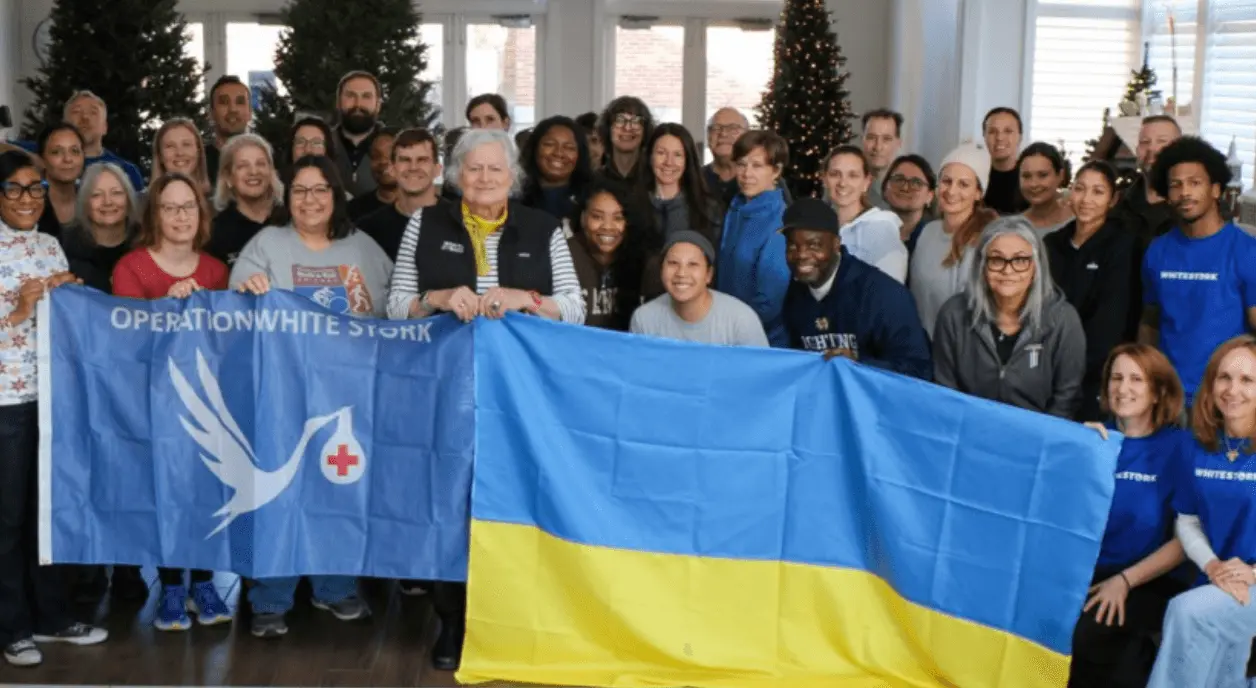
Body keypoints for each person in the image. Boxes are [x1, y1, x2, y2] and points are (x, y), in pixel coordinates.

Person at [385, 127, 584, 670]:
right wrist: (437, 298)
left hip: (522, 397)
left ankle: (511, 618)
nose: (485, 178)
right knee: (452, 505)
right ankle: (452, 620)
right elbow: (395, 306)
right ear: (455, 175)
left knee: (515, 499)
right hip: (444, 391)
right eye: (474, 168)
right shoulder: (424, 224)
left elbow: (576, 307)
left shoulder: (544, 229)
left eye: (496, 169)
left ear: (513, 176)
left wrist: (529, 299)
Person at [231, 156, 392, 638]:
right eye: (299, 190)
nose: (310, 200)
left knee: (339, 489)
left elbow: (395, 311)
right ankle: (271, 597)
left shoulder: (364, 249)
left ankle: (335, 586)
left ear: (336, 195)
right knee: (277, 494)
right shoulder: (265, 245)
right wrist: (247, 288)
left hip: (346, 397)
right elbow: (233, 307)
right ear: (287, 197)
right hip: (280, 397)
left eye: (320, 189)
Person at [110, 173, 233, 632]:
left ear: (201, 214)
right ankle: (170, 585)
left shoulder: (217, 271)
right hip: (153, 403)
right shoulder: (132, 268)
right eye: (169, 207)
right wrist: (166, 304)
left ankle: (203, 580)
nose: (180, 216)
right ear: (153, 215)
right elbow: (128, 342)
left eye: (189, 206)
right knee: (165, 493)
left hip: (208, 403)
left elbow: (230, 341)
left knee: (205, 493)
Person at [0, 151, 108, 667]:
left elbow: (62, 324)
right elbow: (20, 318)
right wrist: (19, 311)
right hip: (6, 406)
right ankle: (12, 626)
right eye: (14, 189)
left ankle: (53, 616)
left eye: (35, 188)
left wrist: (71, 295)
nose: (27, 199)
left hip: (52, 401)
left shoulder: (49, 246)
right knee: (7, 521)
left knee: (46, 516)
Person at [1071, 344, 1191, 688]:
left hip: (1148, 580)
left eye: (1137, 379)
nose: (1123, 388)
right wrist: (1076, 450)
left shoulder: (1180, 448)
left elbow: (1185, 540)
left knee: (1088, 637)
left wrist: (1124, 581)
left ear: (1157, 392)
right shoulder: (1092, 439)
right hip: (1085, 574)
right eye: (1116, 378)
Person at [1148, 335, 1256, 688]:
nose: (1232, 390)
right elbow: (1187, 519)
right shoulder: (1196, 445)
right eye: (1224, 378)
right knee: (1221, 671)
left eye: (1247, 380)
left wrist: (1253, 574)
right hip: (1221, 578)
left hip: (1251, 580)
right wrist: (1213, 566)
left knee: (1188, 612)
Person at [1138, 136, 1256, 408]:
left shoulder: (1246, 252)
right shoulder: (1158, 251)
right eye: (1176, 185)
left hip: (1225, 399)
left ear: (1215, 189)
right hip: (1169, 398)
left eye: (1195, 183)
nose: (1184, 193)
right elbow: (1150, 323)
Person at [932, 215, 1086, 417]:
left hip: (1037, 439)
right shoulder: (953, 314)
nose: (1008, 270)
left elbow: (1067, 398)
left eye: (1020, 260)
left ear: (1036, 267)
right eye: (996, 259)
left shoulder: (1063, 320)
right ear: (982, 265)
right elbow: (945, 392)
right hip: (969, 433)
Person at [781, 198, 931, 380]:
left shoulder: (883, 295)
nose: (801, 255)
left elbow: (919, 370)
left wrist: (860, 365)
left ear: (837, 244)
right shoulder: (796, 290)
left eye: (814, 245)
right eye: (792, 246)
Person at [1044, 161, 1138, 422]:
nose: (1086, 199)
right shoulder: (1052, 244)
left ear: (1113, 199)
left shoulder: (1122, 246)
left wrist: (1072, 371)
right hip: (1047, 369)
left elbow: (1111, 321)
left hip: (1096, 375)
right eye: (1080, 189)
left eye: (1098, 192)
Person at [908, 141, 996, 337]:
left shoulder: (982, 242)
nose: (952, 191)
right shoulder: (927, 232)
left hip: (957, 351)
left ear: (978, 193)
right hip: (920, 346)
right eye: (946, 181)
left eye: (963, 184)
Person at [715, 130, 791, 347]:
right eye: (741, 164)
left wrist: (728, 329)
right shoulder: (737, 206)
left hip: (759, 339)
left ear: (776, 171)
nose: (747, 173)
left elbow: (769, 302)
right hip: (727, 330)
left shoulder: (779, 221)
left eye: (757, 166)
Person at [631, 230, 768, 347]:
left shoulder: (740, 319)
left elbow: (761, 374)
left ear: (709, 274)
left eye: (693, 264)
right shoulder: (644, 319)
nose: (681, 273)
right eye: (673, 263)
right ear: (661, 270)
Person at [567, 178, 652, 331]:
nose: (607, 226)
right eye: (597, 217)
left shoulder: (641, 260)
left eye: (618, 218)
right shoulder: (564, 255)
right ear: (583, 218)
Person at [820, 145, 908, 283]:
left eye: (853, 175)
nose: (843, 183)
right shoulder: (816, 226)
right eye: (835, 174)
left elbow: (889, 293)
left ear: (866, 182)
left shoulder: (882, 231)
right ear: (824, 179)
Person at [59, 162, 141, 292]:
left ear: (129, 199)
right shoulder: (64, 244)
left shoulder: (148, 240)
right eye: (96, 195)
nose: (108, 202)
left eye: (116, 193)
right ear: (85, 202)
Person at [207, 134, 285, 268]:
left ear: (271, 171)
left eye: (260, 163)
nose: (253, 171)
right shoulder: (217, 233)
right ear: (228, 177)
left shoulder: (291, 218)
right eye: (243, 166)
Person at [640, 123, 722, 246]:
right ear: (650, 157)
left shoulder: (708, 208)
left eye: (677, 155)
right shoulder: (632, 205)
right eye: (661, 153)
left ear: (687, 160)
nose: (669, 162)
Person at [518, 115, 595, 223]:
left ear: (580, 155)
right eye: (549, 144)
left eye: (569, 148)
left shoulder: (593, 199)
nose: (559, 153)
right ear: (534, 148)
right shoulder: (514, 199)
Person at [1016, 142, 1073, 237]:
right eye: (1026, 176)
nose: (1033, 184)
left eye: (1043, 175)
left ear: (1060, 175)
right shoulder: (1013, 228)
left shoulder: (1080, 217)